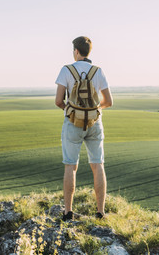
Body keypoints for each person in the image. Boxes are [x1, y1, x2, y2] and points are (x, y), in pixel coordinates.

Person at [55, 36, 113, 221]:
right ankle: (100, 212)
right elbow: (109, 102)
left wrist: (72, 111)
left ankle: (68, 212)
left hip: (73, 124)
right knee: (98, 165)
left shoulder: (66, 70)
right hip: (95, 123)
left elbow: (58, 101)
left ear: (76, 51)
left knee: (71, 166)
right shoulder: (98, 71)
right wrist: (94, 110)